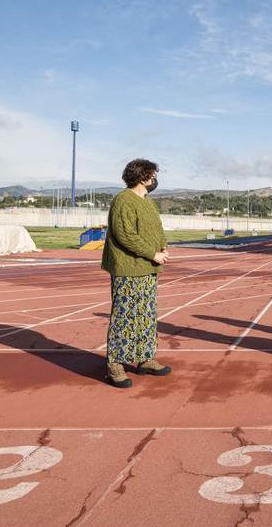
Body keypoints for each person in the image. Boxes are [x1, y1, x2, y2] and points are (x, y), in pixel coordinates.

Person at [100, 158, 172, 388]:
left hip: (147, 269)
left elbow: (155, 229)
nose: (155, 179)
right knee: (125, 317)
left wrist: (162, 246)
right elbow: (125, 235)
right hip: (128, 269)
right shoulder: (123, 200)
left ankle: (144, 358)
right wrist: (152, 253)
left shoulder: (146, 201)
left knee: (146, 315)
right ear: (142, 176)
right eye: (152, 174)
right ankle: (115, 365)